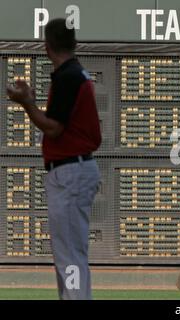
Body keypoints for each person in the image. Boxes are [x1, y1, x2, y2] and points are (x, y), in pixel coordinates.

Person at [6, 18, 101, 299]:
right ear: (73, 43)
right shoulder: (76, 73)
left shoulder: (68, 76)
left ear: (47, 48)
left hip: (70, 171)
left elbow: (53, 128)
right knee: (70, 253)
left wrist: (26, 103)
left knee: (69, 254)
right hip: (75, 169)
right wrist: (33, 103)